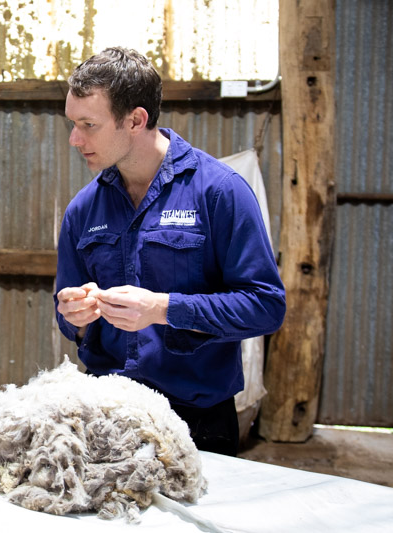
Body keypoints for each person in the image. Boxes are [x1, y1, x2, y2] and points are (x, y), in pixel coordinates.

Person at [54, 47, 285, 457]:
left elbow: (266, 306)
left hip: (198, 424)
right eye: (73, 124)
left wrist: (164, 309)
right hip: (106, 417)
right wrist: (75, 316)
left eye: (88, 125)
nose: (75, 139)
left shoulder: (220, 192)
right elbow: (65, 312)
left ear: (136, 120)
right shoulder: (82, 210)